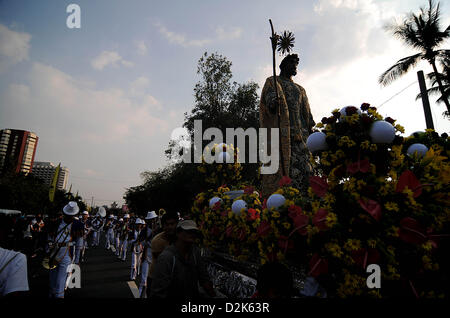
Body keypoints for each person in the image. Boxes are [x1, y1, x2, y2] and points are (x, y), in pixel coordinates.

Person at [259, 53, 315, 196]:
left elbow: (306, 112)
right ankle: (287, 199)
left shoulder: (300, 89)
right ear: (284, 65)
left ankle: (307, 198)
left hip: (301, 135)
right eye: (292, 63)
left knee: (306, 169)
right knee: (287, 169)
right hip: (284, 135)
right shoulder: (273, 81)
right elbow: (269, 99)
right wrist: (273, 102)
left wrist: (311, 129)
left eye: (296, 64)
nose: (295, 67)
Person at [150, 219, 215, 299]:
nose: (192, 234)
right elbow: (158, 291)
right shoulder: (167, 257)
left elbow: (204, 278)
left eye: (194, 232)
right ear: (178, 233)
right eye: (188, 231)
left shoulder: (195, 253)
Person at [47, 201, 82, 298]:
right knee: (52, 279)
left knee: (60, 281)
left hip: (67, 254)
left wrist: (77, 259)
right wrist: (49, 247)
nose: (69, 217)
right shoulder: (56, 222)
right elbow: (49, 237)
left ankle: (59, 295)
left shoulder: (78, 224)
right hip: (54, 252)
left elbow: (79, 244)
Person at [147, 211, 178, 291]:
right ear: (163, 226)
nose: (170, 227)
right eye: (167, 225)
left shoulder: (180, 237)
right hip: (157, 279)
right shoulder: (158, 241)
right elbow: (164, 265)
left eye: (172, 224)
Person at [138, 211, 158, 298]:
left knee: (154, 280)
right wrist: (149, 236)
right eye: (150, 220)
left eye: (153, 219)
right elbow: (141, 241)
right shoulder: (144, 230)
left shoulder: (159, 230)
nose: (152, 221)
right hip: (147, 254)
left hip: (156, 256)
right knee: (143, 280)